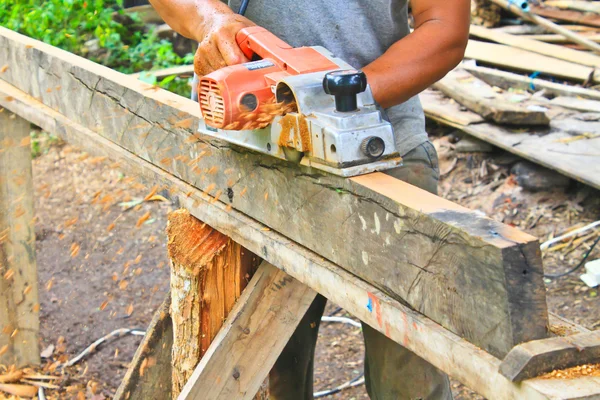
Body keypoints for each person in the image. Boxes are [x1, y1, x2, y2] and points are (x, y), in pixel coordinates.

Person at [149, 0, 470, 398]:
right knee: (261, 357)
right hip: (245, 146)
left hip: (379, 145)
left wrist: (340, 99)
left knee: (409, 374)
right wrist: (211, 19)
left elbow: (445, 26)